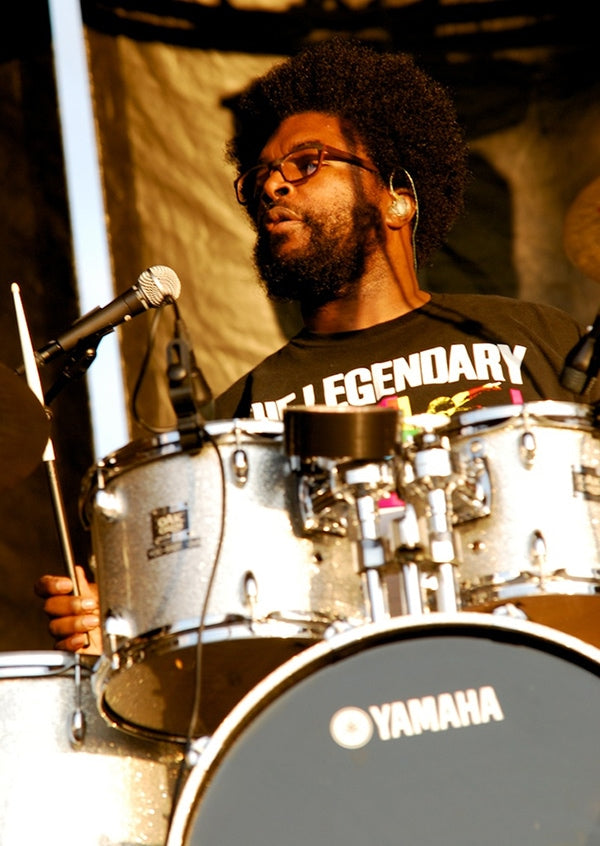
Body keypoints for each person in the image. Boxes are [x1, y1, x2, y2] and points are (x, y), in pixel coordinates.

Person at [34, 37, 600, 653]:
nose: (273, 187)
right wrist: (124, 626)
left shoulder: (534, 339)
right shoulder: (235, 418)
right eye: (257, 180)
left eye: (306, 163)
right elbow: (218, 632)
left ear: (397, 196)